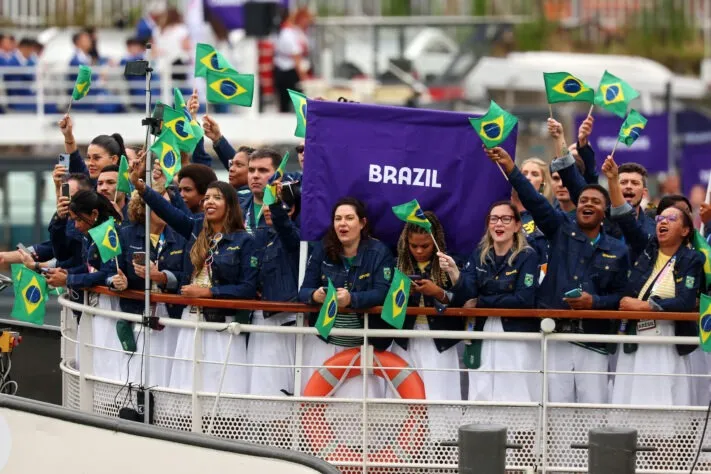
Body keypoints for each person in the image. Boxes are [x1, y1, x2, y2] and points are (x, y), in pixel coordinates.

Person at [486, 120, 629, 404]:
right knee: (555, 411)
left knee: (594, 412)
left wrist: (594, 303)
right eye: (584, 199)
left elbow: (621, 296)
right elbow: (534, 201)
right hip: (556, 338)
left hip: (594, 342)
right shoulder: (560, 228)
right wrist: (511, 169)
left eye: (596, 202)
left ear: (605, 212)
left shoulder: (618, 249)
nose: (588, 204)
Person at [133, 174, 257, 394]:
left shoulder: (244, 240)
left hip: (222, 326)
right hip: (189, 320)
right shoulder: (195, 227)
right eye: (207, 197)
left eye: (216, 198)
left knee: (220, 389)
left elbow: (247, 288)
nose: (209, 202)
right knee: (186, 386)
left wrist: (208, 292)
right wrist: (142, 188)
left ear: (229, 204)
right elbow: (167, 211)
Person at [603, 156, 704, 406]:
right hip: (636, 338)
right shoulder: (646, 249)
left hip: (667, 342)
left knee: (663, 402)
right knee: (629, 400)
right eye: (660, 219)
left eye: (671, 219)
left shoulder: (692, 259)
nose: (662, 223)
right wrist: (613, 181)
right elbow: (625, 219)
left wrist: (645, 307)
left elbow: (684, 301)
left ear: (685, 230)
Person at [441, 202, 539, 402]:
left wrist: (482, 301)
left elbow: (523, 299)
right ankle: (482, 431)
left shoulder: (528, 255)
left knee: (514, 387)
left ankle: (519, 433)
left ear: (517, 225)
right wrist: (454, 273)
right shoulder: (479, 254)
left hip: (514, 332)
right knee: (481, 386)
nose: (498, 224)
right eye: (494, 219)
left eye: (506, 219)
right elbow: (467, 293)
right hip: (482, 330)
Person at [299, 197, 394, 398]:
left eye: (349, 218)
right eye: (337, 218)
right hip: (326, 340)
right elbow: (303, 291)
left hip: (363, 344)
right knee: (317, 405)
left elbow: (382, 293)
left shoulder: (379, 252)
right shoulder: (322, 249)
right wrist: (315, 296)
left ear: (362, 223)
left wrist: (352, 300)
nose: (342, 224)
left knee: (360, 410)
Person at [107, 190, 187, 387]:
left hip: (171, 315)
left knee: (169, 372)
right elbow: (108, 272)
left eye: (168, 204)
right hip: (136, 314)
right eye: (160, 204)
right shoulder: (125, 234)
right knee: (137, 375)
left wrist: (162, 277)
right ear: (144, 209)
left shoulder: (182, 236)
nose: (167, 209)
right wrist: (117, 282)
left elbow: (189, 276)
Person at [47, 190, 124, 380]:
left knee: (104, 360)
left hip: (108, 308)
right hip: (93, 307)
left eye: (78, 220)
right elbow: (89, 267)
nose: (76, 225)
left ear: (94, 214)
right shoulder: (92, 233)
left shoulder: (107, 233)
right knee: (89, 359)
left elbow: (107, 273)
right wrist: (70, 273)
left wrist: (68, 280)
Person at [389, 211, 462, 401]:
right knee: (403, 399)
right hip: (405, 339)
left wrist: (437, 292)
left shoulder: (450, 264)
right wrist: (403, 294)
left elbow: (464, 301)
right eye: (414, 246)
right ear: (406, 242)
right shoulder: (397, 265)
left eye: (425, 246)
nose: (419, 251)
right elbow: (389, 310)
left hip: (439, 340)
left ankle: (441, 433)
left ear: (435, 240)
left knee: (439, 399)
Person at [248, 181, 301, 398]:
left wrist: (276, 205)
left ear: (293, 209)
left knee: (279, 385)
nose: (267, 209)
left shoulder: (296, 238)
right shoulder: (263, 235)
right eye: (266, 205)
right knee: (260, 386)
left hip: (285, 320)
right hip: (261, 318)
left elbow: (285, 228)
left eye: (274, 205)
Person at [512, 157, 552, 269]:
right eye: (524, 173)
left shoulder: (547, 214)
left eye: (534, 174)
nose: (528, 178)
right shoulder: (504, 206)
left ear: (543, 182)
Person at [58, 115, 123, 183]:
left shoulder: (126, 188)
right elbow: (74, 160)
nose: (90, 163)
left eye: (96, 158)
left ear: (113, 159)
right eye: (89, 158)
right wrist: (68, 135)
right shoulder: (90, 183)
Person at [273, 7, 313, 112]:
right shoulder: (287, 33)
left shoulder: (297, 32)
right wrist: (303, 76)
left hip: (294, 69)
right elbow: (296, 57)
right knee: (290, 102)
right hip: (288, 71)